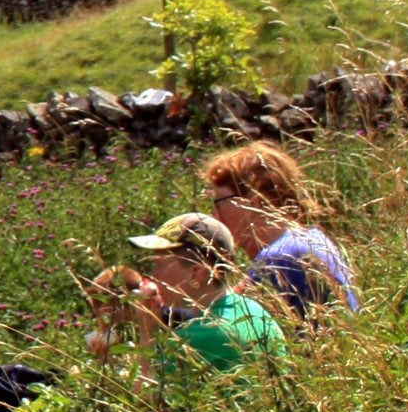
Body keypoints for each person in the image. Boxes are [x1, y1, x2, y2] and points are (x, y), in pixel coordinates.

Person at [91, 213, 287, 372]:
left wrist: (146, 332)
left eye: (159, 265)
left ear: (197, 272)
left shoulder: (201, 335)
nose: (152, 275)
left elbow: (145, 400)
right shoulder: (254, 309)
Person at [201, 143, 357, 318]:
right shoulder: (310, 238)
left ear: (255, 201)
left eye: (219, 203)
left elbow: (229, 328)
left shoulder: (278, 258)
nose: (214, 214)